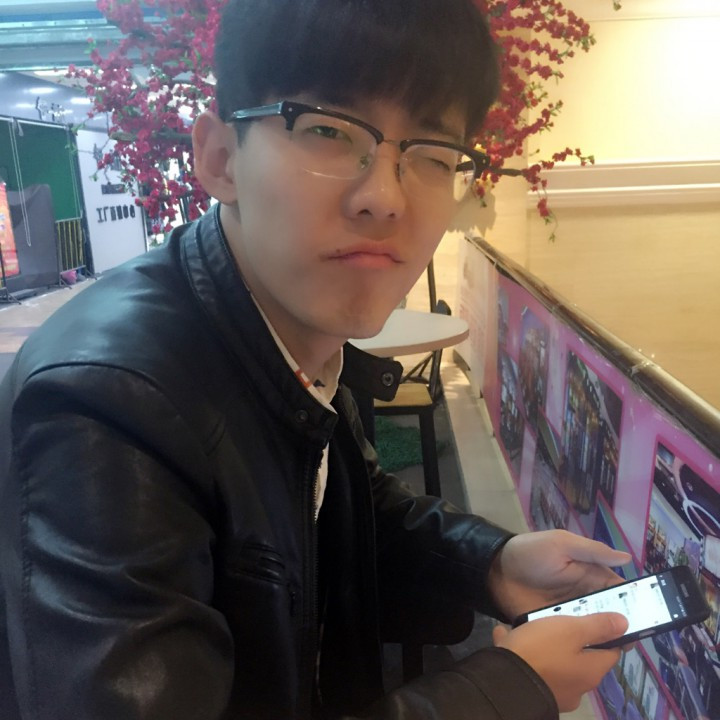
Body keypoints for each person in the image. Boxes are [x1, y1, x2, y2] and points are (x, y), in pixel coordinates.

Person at [0, 1, 631, 718]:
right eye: (328, 129)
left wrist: (490, 564)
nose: (385, 198)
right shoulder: (107, 409)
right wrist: (505, 692)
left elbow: (335, 507)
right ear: (220, 158)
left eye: (432, 153)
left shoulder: (286, 329)